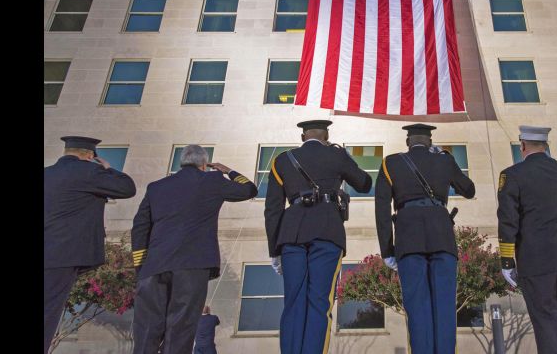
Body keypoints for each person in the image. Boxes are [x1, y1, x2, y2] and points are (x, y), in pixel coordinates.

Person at [130, 145, 257, 354]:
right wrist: (228, 171)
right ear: (204, 164)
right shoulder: (212, 181)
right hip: (192, 266)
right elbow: (249, 190)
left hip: (153, 267)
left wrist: (141, 266)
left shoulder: (156, 187)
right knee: (181, 328)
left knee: (147, 329)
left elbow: (140, 226)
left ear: (181, 162)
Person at [265, 120, 372, 354]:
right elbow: (364, 183)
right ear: (327, 136)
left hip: (291, 235)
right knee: (319, 302)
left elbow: (272, 209)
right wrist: (346, 156)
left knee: (293, 302)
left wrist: (274, 250)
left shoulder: (282, 161)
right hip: (327, 231)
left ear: (303, 137)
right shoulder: (336, 156)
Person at [375, 123, 475, 354]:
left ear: (408, 142)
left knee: (417, 307)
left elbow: (381, 209)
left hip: (409, 239)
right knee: (445, 307)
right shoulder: (444, 160)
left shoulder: (391, 163)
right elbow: (468, 190)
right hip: (442, 238)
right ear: (430, 142)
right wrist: (445, 158)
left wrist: (387, 250)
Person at [497, 125, 557, 354]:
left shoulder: (511, 176)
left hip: (536, 259)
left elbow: (508, 220)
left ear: (522, 146)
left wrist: (507, 260)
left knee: (546, 321)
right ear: (546, 146)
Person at [44, 136, 137, 354]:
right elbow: (126, 188)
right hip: (61, 255)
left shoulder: (46, 173)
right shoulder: (87, 171)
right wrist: (108, 168)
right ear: (89, 155)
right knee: (48, 311)